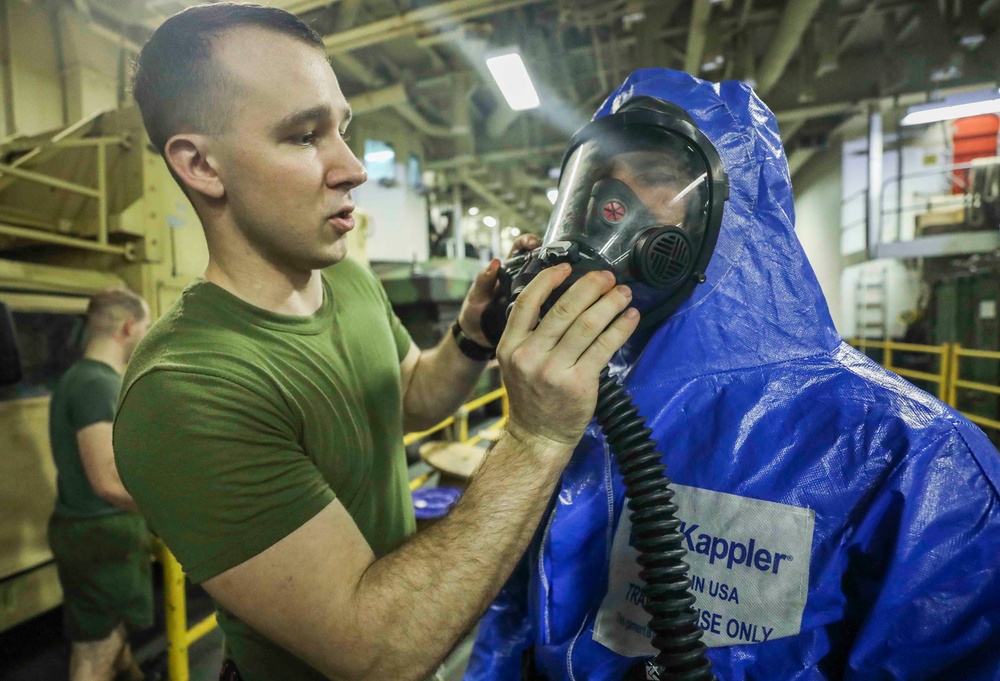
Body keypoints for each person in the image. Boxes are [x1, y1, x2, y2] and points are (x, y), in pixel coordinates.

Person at [112, 4, 639, 681]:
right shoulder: (186, 390)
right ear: (202, 166)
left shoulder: (347, 280)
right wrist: (536, 435)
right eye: (304, 136)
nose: (354, 167)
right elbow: (374, 648)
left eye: (343, 128)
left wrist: (471, 338)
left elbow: (409, 397)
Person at [467, 68, 1000, 680]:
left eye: (656, 177)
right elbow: (512, 619)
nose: (611, 209)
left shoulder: (909, 455)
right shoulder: (568, 398)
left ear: (737, 206)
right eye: (597, 182)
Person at [48, 286, 152, 681]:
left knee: (113, 645)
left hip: (91, 532)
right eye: (145, 326)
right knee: (96, 654)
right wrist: (171, 505)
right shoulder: (96, 385)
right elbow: (108, 483)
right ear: (128, 327)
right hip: (102, 534)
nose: (146, 333)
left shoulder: (78, 378)